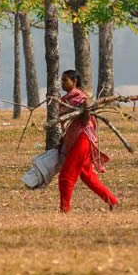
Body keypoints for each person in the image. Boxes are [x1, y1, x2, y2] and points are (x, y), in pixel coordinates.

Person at [56, 69, 118, 213]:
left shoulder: (80, 97)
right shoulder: (67, 99)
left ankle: (64, 210)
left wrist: (85, 108)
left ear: (74, 81)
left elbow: (85, 116)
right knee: (88, 176)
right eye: (62, 80)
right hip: (75, 140)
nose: (62, 83)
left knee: (66, 176)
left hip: (82, 139)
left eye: (65, 80)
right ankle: (113, 201)